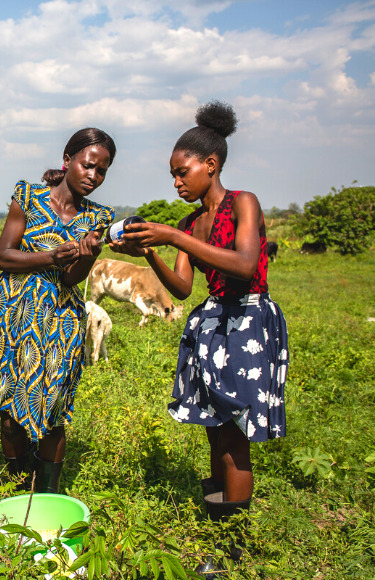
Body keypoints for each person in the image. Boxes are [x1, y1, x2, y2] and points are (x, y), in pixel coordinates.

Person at [111, 101, 288, 574]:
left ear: (210, 165)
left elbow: (246, 264)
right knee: (215, 434)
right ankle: (219, 530)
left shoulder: (242, 203)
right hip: (213, 326)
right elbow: (183, 288)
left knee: (236, 438)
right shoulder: (192, 224)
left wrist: (171, 236)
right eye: (172, 175)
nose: (176, 182)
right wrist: (150, 252)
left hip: (247, 325)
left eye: (181, 172)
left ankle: (231, 548)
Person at [0, 128, 116, 493]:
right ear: (68, 160)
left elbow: (72, 279)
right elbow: (3, 257)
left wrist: (87, 258)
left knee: (52, 412)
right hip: (12, 312)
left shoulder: (98, 217)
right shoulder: (27, 197)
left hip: (60, 321)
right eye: (89, 166)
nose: (94, 176)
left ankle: (48, 496)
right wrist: (49, 256)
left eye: (102, 171)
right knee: (11, 410)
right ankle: (18, 482)